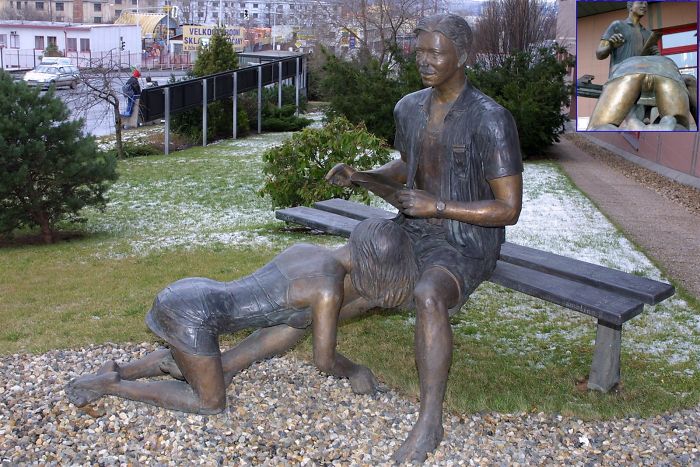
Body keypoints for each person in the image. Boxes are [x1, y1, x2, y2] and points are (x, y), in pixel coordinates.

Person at [326, 14, 523, 463]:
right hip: (413, 226)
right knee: (333, 268)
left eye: (436, 52)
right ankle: (250, 347)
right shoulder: (409, 107)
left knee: (428, 294)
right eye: (420, 52)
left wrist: (438, 206)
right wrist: (361, 176)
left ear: (463, 56)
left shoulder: (491, 119)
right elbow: (408, 167)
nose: (425, 61)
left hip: (467, 239)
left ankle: (430, 419)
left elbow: (508, 209)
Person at [66, 218, 419, 414]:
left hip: (189, 290)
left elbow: (283, 327)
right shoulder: (328, 289)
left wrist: (229, 363)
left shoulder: (308, 251)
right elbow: (324, 360)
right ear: (378, 265)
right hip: (192, 315)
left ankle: (123, 368)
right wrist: (355, 370)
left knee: (214, 355)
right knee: (210, 402)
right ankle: (111, 385)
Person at [587, 1, 692, 130]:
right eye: (640, 2)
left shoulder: (647, 33)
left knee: (690, 80)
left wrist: (655, 54)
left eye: (646, 4)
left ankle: (642, 124)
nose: (644, 5)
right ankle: (644, 124)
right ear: (630, 6)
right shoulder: (618, 25)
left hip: (646, 74)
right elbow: (599, 53)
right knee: (633, 116)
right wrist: (610, 45)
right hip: (624, 74)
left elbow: (656, 59)